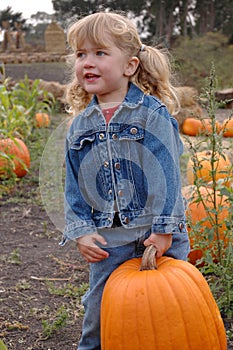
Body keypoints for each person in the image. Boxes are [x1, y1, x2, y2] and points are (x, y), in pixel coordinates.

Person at [61, 11, 190, 350]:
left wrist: (163, 230)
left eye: (100, 53)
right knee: (99, 313)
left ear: (130, 65)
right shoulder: (79, 126)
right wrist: (81, 230)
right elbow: (75, 184)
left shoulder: (152, 115)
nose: (88, 62)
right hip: (111, 241)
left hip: (158, 235)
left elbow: (168, 177)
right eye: (80, 54)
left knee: (170, 313)